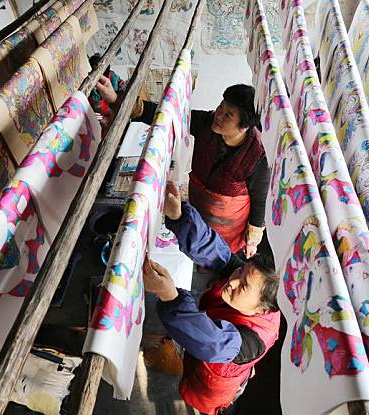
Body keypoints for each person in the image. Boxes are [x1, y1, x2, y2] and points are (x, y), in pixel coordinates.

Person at [142, 183, 280, 415]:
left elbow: (210, 342)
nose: (233, 280)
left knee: (203, 401)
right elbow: (219, 255)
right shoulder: (251, 281)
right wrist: (178, 216)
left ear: (261, 310)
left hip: (212, 383)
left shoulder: (249, 342)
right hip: (203, 358)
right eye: (240, 272)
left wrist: (168, 295)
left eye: (243, 286)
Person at [96, 82, 270, 258]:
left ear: (244, 127)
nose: (218, 115)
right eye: (220, 107)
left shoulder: (257, 157)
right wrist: (115, 99)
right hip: (199, 206)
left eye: (228, 115)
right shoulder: (206, 123)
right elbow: (168, 116)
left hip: (228, 223)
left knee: (218, 252)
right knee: (197, 238)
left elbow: (259, 201)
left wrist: (253, 239)